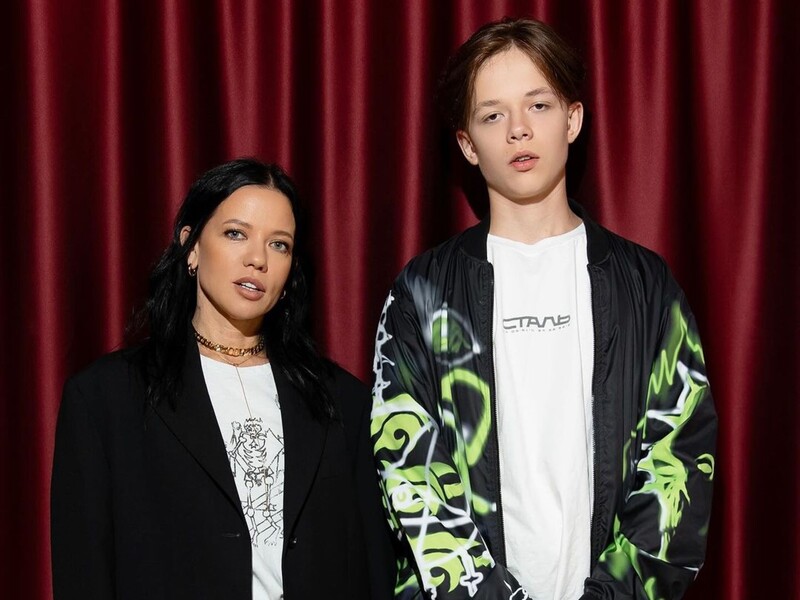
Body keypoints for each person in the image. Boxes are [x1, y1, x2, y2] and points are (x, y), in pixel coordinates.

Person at [370, 17, 717, 600]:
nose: (519, 130)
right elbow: (408, 466)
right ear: (467, 144)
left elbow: (680, 456)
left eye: (538, 105)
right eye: (492, 115)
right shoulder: (422, 292)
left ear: (572, 120)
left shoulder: (645, 285)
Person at [51, 158, 395, 599]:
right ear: (191, 247)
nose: (257, 259)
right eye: (236, 234)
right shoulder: (106, 398)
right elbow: (84, 574)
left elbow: (372, 569)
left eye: (279, 244)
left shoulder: (342, 402)